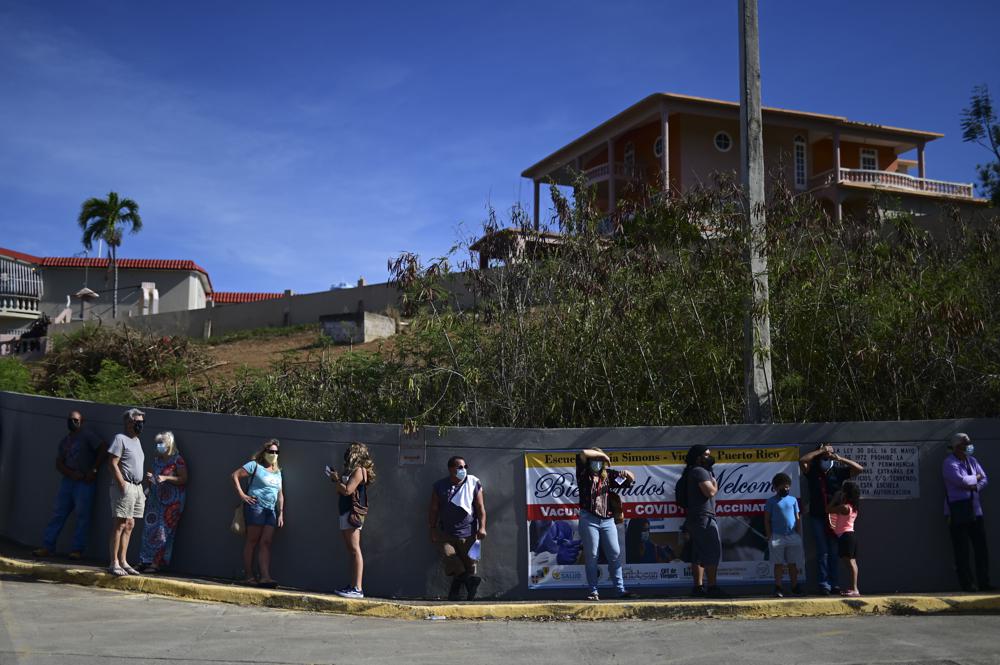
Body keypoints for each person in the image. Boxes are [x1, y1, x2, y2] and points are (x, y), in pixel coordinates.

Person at [33, 409, 106, 560]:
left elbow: (103, 448)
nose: (72, 423)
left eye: (76, 420)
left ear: (81, 422)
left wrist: (94, 470)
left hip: (84, 483)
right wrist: (70, 473)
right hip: (68, 481)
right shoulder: (65, 441)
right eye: (70, 420)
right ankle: (48, 546)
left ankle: (77, 549)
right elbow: (58, 463)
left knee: (82, 516)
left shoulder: (87, 436)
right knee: (58, 514)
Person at [799, 443, 863, 594]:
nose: (826, 458)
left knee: (834, 552)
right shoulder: (813, 471)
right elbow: (802, 461)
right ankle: (824, 584)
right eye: (824, 456)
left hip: (835, 517)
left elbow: (859, 469)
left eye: (829, 455)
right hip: (817, 515)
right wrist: (821, 451)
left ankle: (834, 584)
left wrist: (840, 458)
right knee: (823, 552)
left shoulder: (837, 472)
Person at [576, 448, 636, 601]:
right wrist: (604, 455)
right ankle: (593, 591)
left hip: (607, 519)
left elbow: (631, 480)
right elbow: (583, 453)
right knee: (592, 555)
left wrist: (627, 474)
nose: (597, 463)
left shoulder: (608, 475)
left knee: (615, 554)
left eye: (599, 461)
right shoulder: (583, 473)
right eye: (595, 459)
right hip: (589, 517)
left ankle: (620, 589)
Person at [429, 456, 487, 601]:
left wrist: (482, 528)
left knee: (469, 565)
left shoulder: (473, 484)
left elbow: (480, 508)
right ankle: (471, 582)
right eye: (460, 467)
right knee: (451, 559)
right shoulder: (440, 486)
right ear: (451, 469)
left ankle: (456, 594)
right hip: (446, 533)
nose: (463, 470)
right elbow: (434, 509)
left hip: (468, 533)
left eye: (465, 467)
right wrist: (433, 529)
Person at [942, 433, 991, 592]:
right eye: (966, 443)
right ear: (957, 446)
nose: (969, 446)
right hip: (958, 511)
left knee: (981, 548)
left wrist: (974, 484)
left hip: (976, 510)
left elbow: (984, 479)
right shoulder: (949, 463)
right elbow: (961, 481)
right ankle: (967, 584)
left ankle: (984, 582)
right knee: (962, 550)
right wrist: (974, 478)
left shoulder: (972, 461)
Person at [232, 439, 284, 588]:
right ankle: (249, 576)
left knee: (266, 542)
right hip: (256, 507)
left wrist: (281, 513)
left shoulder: (278, 472)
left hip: (271, 510)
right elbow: (234, 475)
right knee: (252, 541)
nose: (273, 454)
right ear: (265, 452)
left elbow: (280, 494)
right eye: (271, 451)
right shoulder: (254, 466)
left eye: (276, 452)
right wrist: (243, 495)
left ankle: (265, 577)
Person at [329, 441, 376, 599]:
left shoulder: (359, 471)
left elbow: (348, 490)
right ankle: (352, 585)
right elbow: (341, 490)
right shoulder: (350, 470)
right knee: (351, 550)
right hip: (345, 511)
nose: (348, 453)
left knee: (355, 550)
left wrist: (337, 480)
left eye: (350, 451)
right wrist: (336, 479)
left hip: (352, 513)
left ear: (357, 453)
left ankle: (357, 588)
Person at [138, 432, 188, 573]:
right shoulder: (156, 459)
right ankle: (144, 560)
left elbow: (183, 479)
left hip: (171, 503)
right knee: (148, 530)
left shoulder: (177, 460)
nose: (159, 446)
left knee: (163, 533)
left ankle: (156, 563)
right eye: (158, 443)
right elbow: (152, 475)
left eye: (162, 443)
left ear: (169, 445)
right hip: (155, 500)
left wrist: (166, 478)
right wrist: (152, 479)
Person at [683, 444, 729, 598]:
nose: (710, 457)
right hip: (703, 517)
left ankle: (698, 587)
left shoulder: (695, 471)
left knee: (698, 554)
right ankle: (712, 587)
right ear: (698, 457)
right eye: (707, 454)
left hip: (697, 517)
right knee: (712, 551)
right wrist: (715, 483)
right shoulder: (700, 472)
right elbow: (710, 491)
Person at [107, 408, 146, 577]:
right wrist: (121, 482)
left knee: (130, 524)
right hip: (125, 486)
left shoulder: (137, 441)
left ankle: (123, 561)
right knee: (120, 523)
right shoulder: (120, 439)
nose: (140, 425)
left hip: (137, 487)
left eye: (142, 422)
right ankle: (113, 562)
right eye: (138, 422)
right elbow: (112, 462)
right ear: (129, 423)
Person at [763, 472, 804, 598]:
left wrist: (799, 534)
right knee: (778, 564)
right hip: (777, 536)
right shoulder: (771, 501)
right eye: (782, 487)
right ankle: (778, 587)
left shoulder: (793, 500)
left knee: (793, 563)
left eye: (787, 487)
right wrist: (769, 535)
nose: (785, 489)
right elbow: (766, 520)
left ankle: (794, 586)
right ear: (775, 487)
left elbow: (797, 518)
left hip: (793, 536)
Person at [827, 480, 861, 597]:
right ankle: (854, 588)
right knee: (852, 563)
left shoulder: (844, 507)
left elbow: (828, 509)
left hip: (846, 536)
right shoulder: (853, 507)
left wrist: (835, 498)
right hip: (849, 536)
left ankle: (854, 589)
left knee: (850, 563)